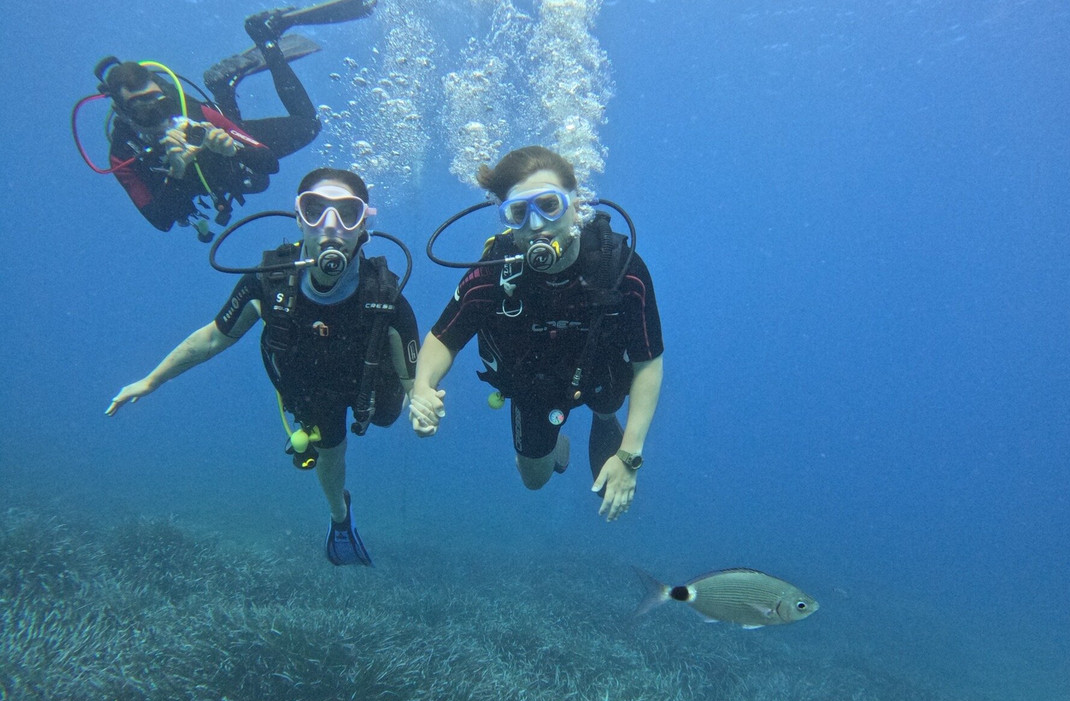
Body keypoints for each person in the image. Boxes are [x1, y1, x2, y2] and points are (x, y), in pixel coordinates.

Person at [107, 168, 419, 566]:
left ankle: (343, 503)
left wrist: (421, 401)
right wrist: (151, 381)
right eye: (315, 210)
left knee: (388, 417)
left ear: (364, 227)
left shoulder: (384, 293)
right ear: (299, 220)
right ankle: (340, 518)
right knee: (330, 453)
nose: (331, 226)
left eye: (347, 213)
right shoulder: (271, 282)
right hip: (312, 387)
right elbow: (212, 337)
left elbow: (414, 377)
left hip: (369, 382)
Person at [410, 146, 664, 522]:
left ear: (576, 204)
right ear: (508, 220)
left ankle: (605, 418)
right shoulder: (495, 272)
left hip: (601, 375)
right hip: (534, 387)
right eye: (518, 212)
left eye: (549, 204)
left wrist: (629, 456)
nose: (536, 224)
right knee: (534, 480)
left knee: (608, 404)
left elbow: (648, 363)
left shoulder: (619, 267)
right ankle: (556, 444)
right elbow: (443, 337)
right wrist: (422, 388)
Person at [96, 0, 377, 237]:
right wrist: (176, 173)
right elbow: (161, 220)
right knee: (253, 181)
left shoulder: (188, 111)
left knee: (308, 126)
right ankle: (223, 87)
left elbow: (267, 162)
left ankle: (265, 37)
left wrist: (232, 146)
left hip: (230, 158)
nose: (157, 112)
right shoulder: (124, 154)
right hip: (216, 181)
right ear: (122, 112)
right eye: (140, 107)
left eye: (159, 100)